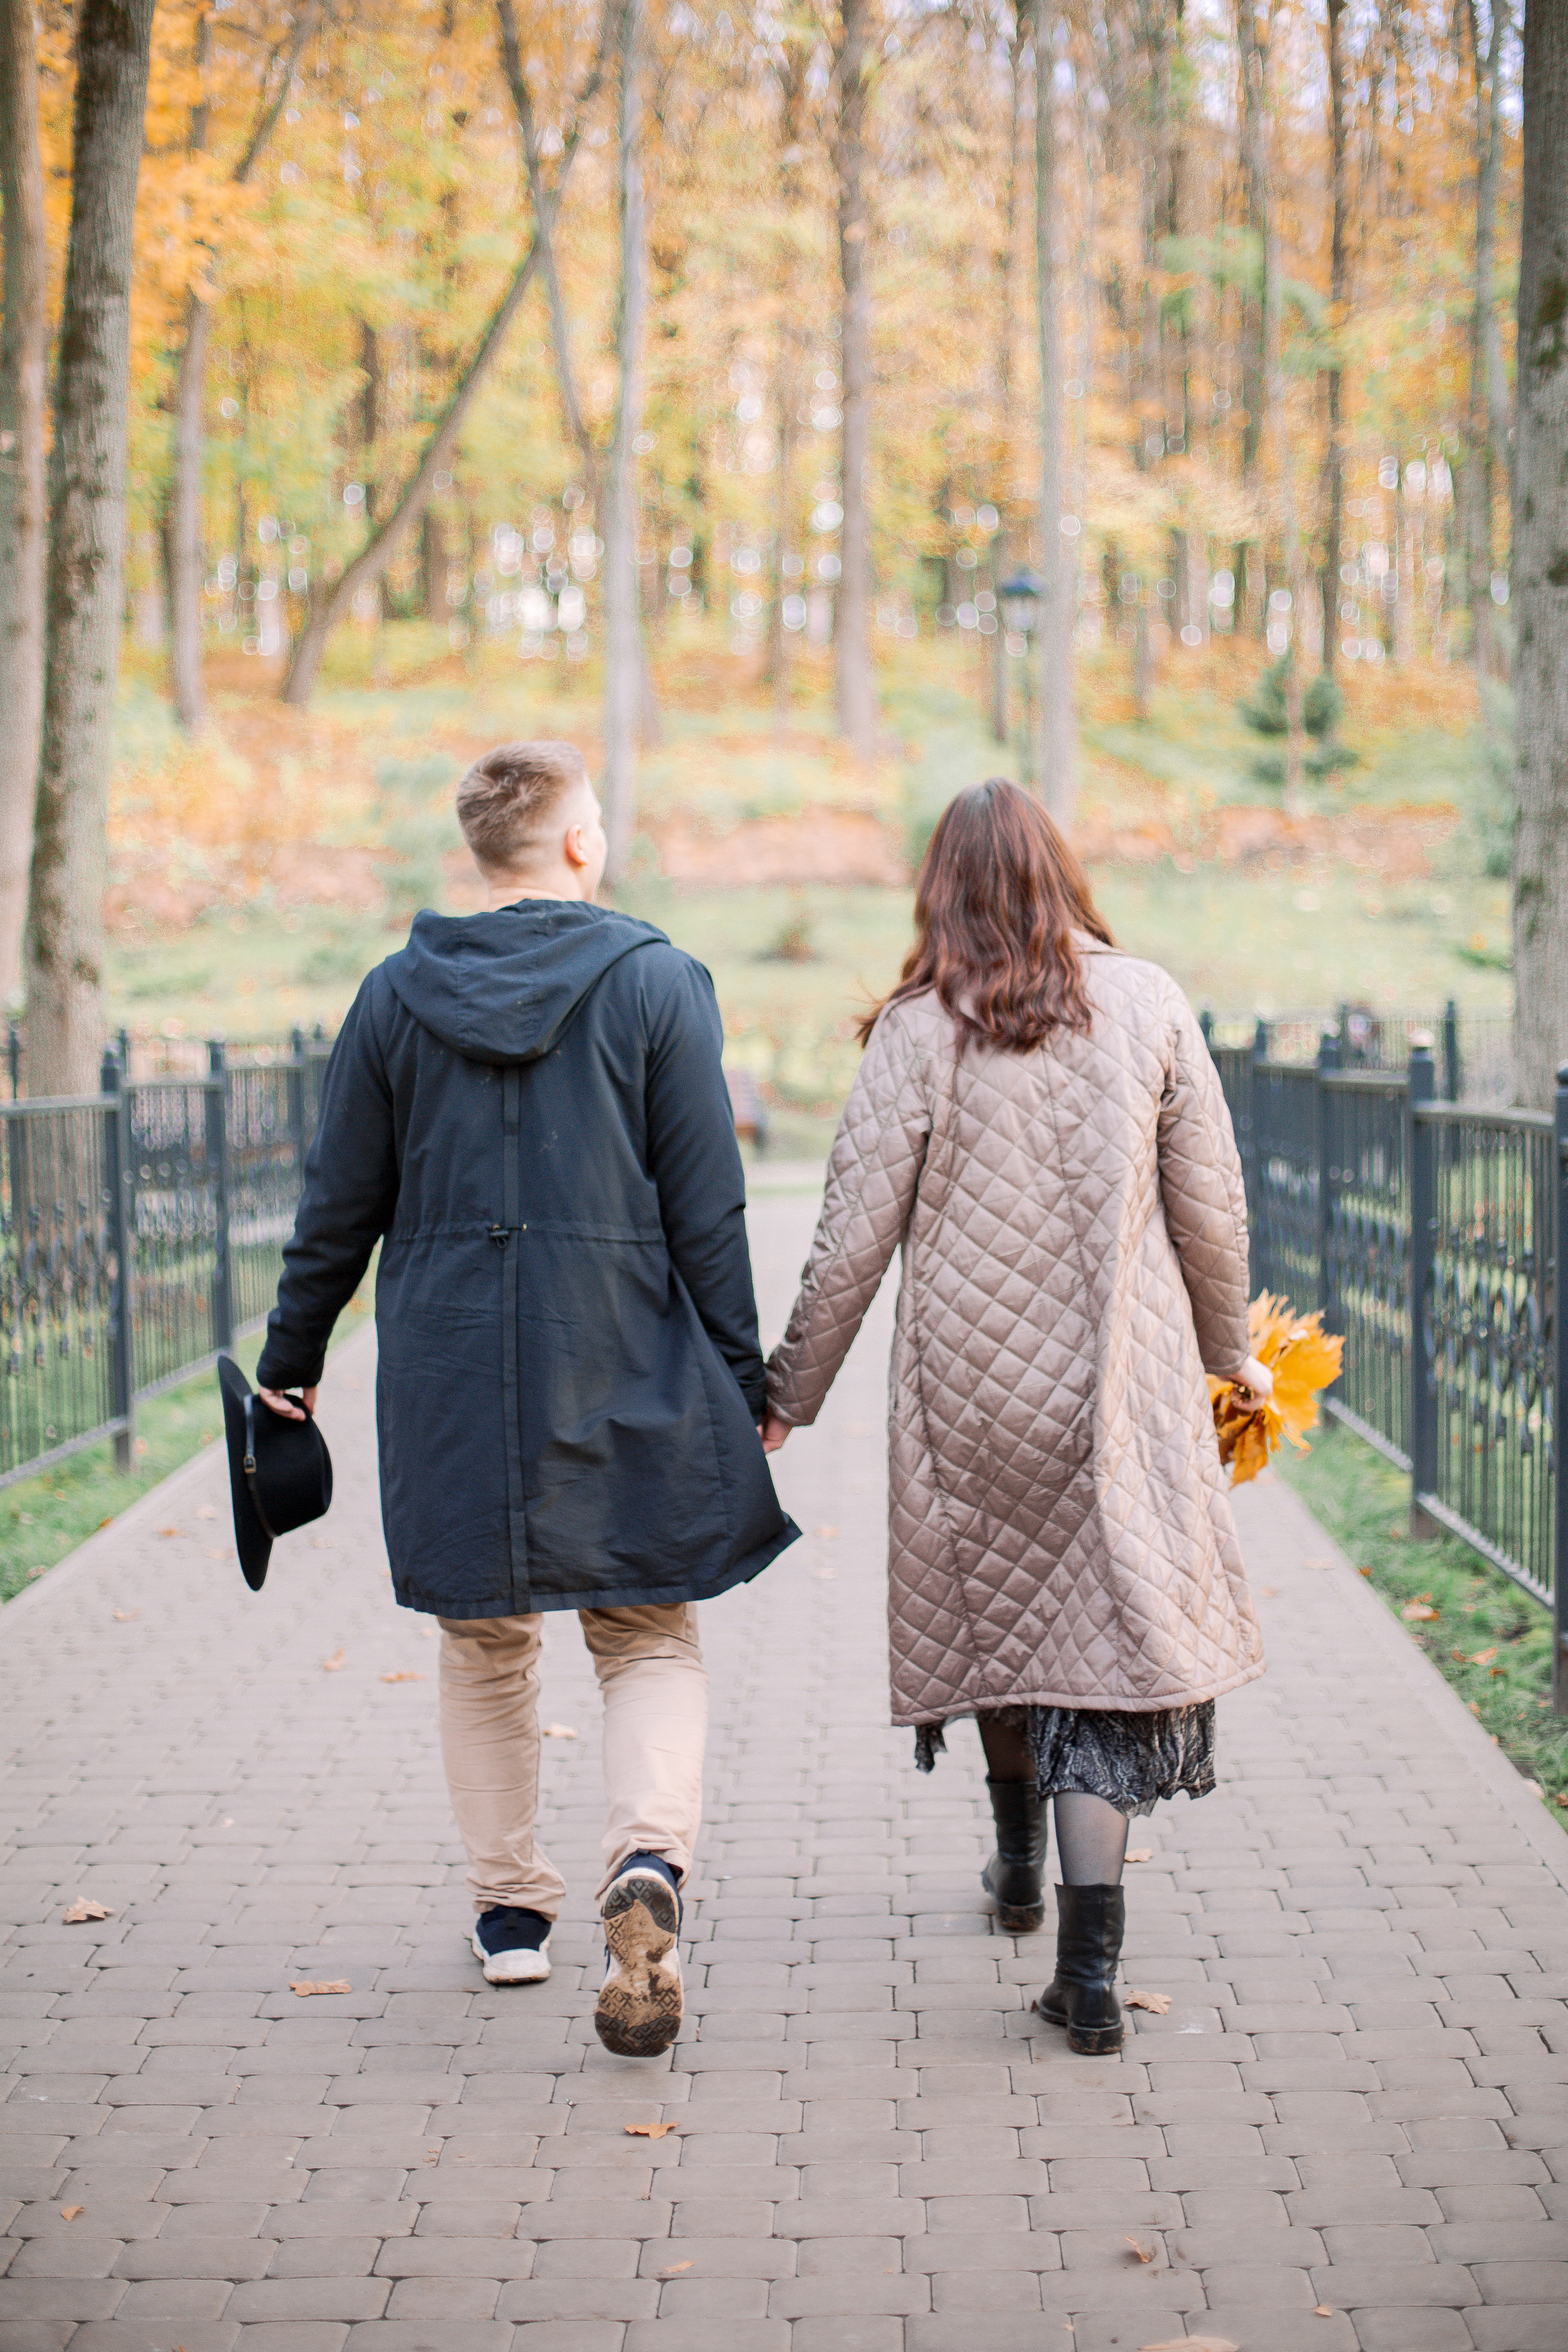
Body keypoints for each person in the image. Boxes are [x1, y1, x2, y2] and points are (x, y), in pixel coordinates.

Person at [255, 739, 796, 2057]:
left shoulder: (392, 997)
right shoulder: (660, 985)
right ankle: (649, 1864)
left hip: (445, 1360)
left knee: (485, 1642)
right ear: (573, 846)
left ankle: (509, 1915)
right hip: (620, 1345)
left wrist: (292, 1357)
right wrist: (740, 1378)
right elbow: (705, 1207)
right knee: (648, 1626)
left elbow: (341, 1200)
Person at [761, 778, 1270, 2055]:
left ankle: (1012, 1865)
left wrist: (789, 1395)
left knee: (1002, 1613)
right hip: (1121, 1392)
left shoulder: (914, 1031)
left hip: (969, 1401)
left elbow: (846, 1243)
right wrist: (1233, 1357)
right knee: (1094, 1658)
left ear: (938, 891)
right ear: (1060, 874)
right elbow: (1209, 1209)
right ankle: (1087, 1976)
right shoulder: (1147, 1003)